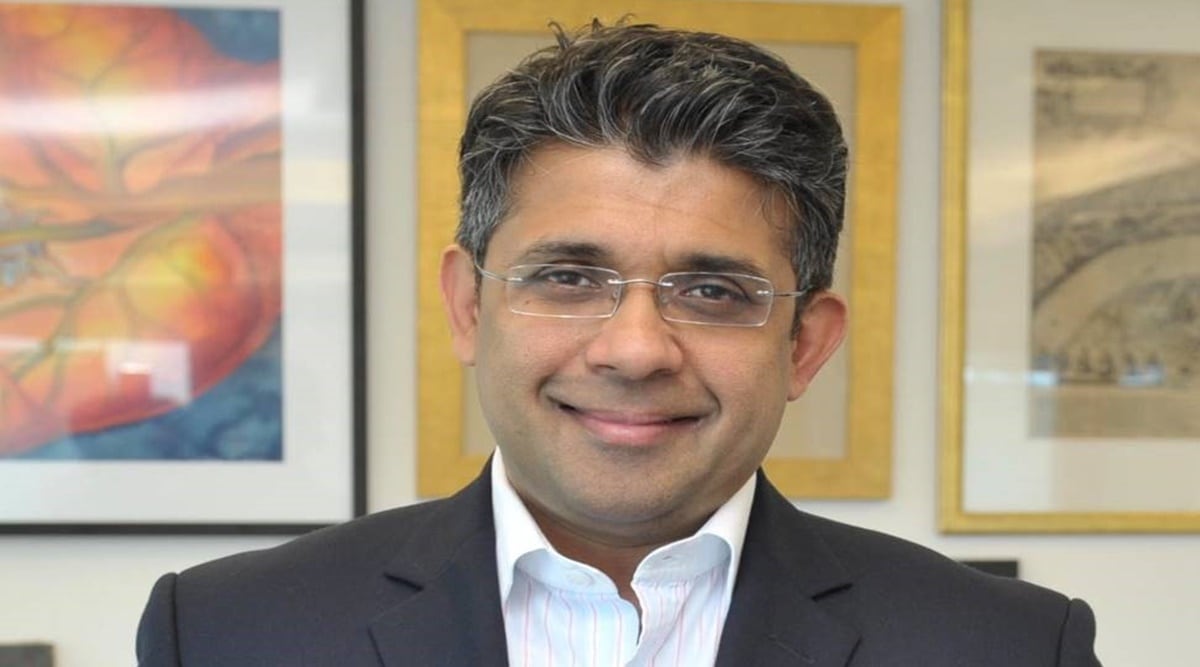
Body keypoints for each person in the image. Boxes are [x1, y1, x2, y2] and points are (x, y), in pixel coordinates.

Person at [136, 22, 1101, 667]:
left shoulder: (1006, 647)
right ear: (468, 306)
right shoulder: (226, 633)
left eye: (713, 291)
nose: (635, 350)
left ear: (805, 344)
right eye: (567, 277)